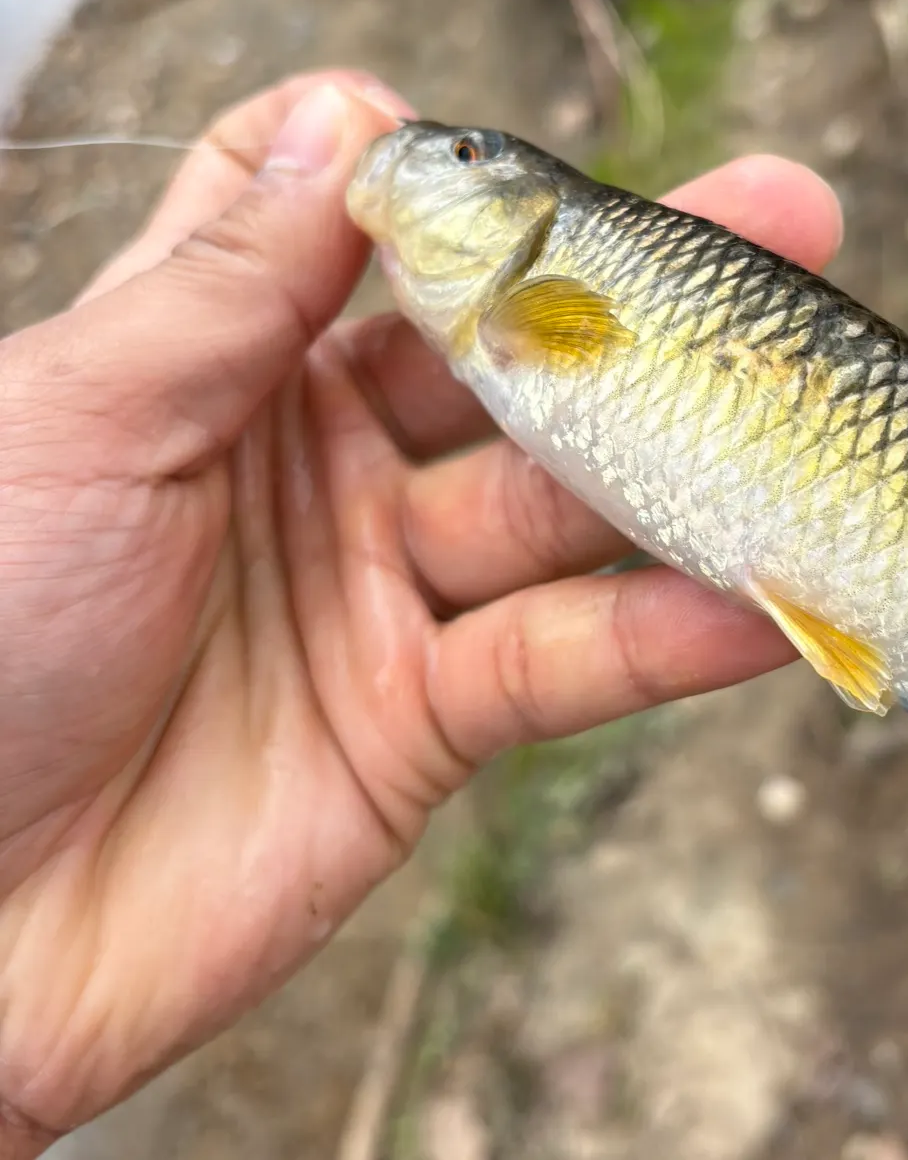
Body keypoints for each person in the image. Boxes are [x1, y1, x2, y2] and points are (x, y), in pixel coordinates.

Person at [0, 70, 844, 1157]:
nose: (437, 156)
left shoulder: (536, 283)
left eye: (464, 158)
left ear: (528, 212)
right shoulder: (505, 297)